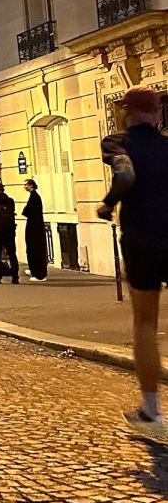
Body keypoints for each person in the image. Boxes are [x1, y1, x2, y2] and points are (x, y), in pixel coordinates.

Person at [97, 86, 168, 443]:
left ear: (126, 111)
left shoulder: (118, 143)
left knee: (145, 323)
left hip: (142, 240)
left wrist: (108, 204)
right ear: (155, 114)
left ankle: (151, 411)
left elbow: (125, 175)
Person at [23, 179, 48, 281]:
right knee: (33, 248)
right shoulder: (34, 196)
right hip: (35, 226)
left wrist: (25, 211)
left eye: (26, 185)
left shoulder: (34, 197)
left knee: (35, 249)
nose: (24, 187)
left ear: (31, 186)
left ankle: (38, 273)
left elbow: (27, 211)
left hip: (34, 227)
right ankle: (34, 269)